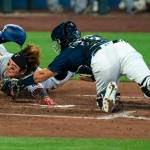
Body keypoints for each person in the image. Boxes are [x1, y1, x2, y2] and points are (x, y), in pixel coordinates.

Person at [6, 20, 150, 113]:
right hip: (123, 48)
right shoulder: (91, 37)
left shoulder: (69, 51)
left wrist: (21, 83)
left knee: (104, 106)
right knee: (147, 82)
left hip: (102, 60)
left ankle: (107, 96)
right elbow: (110, 56)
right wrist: (94, 74)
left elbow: (42, 75)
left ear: (63, 39)